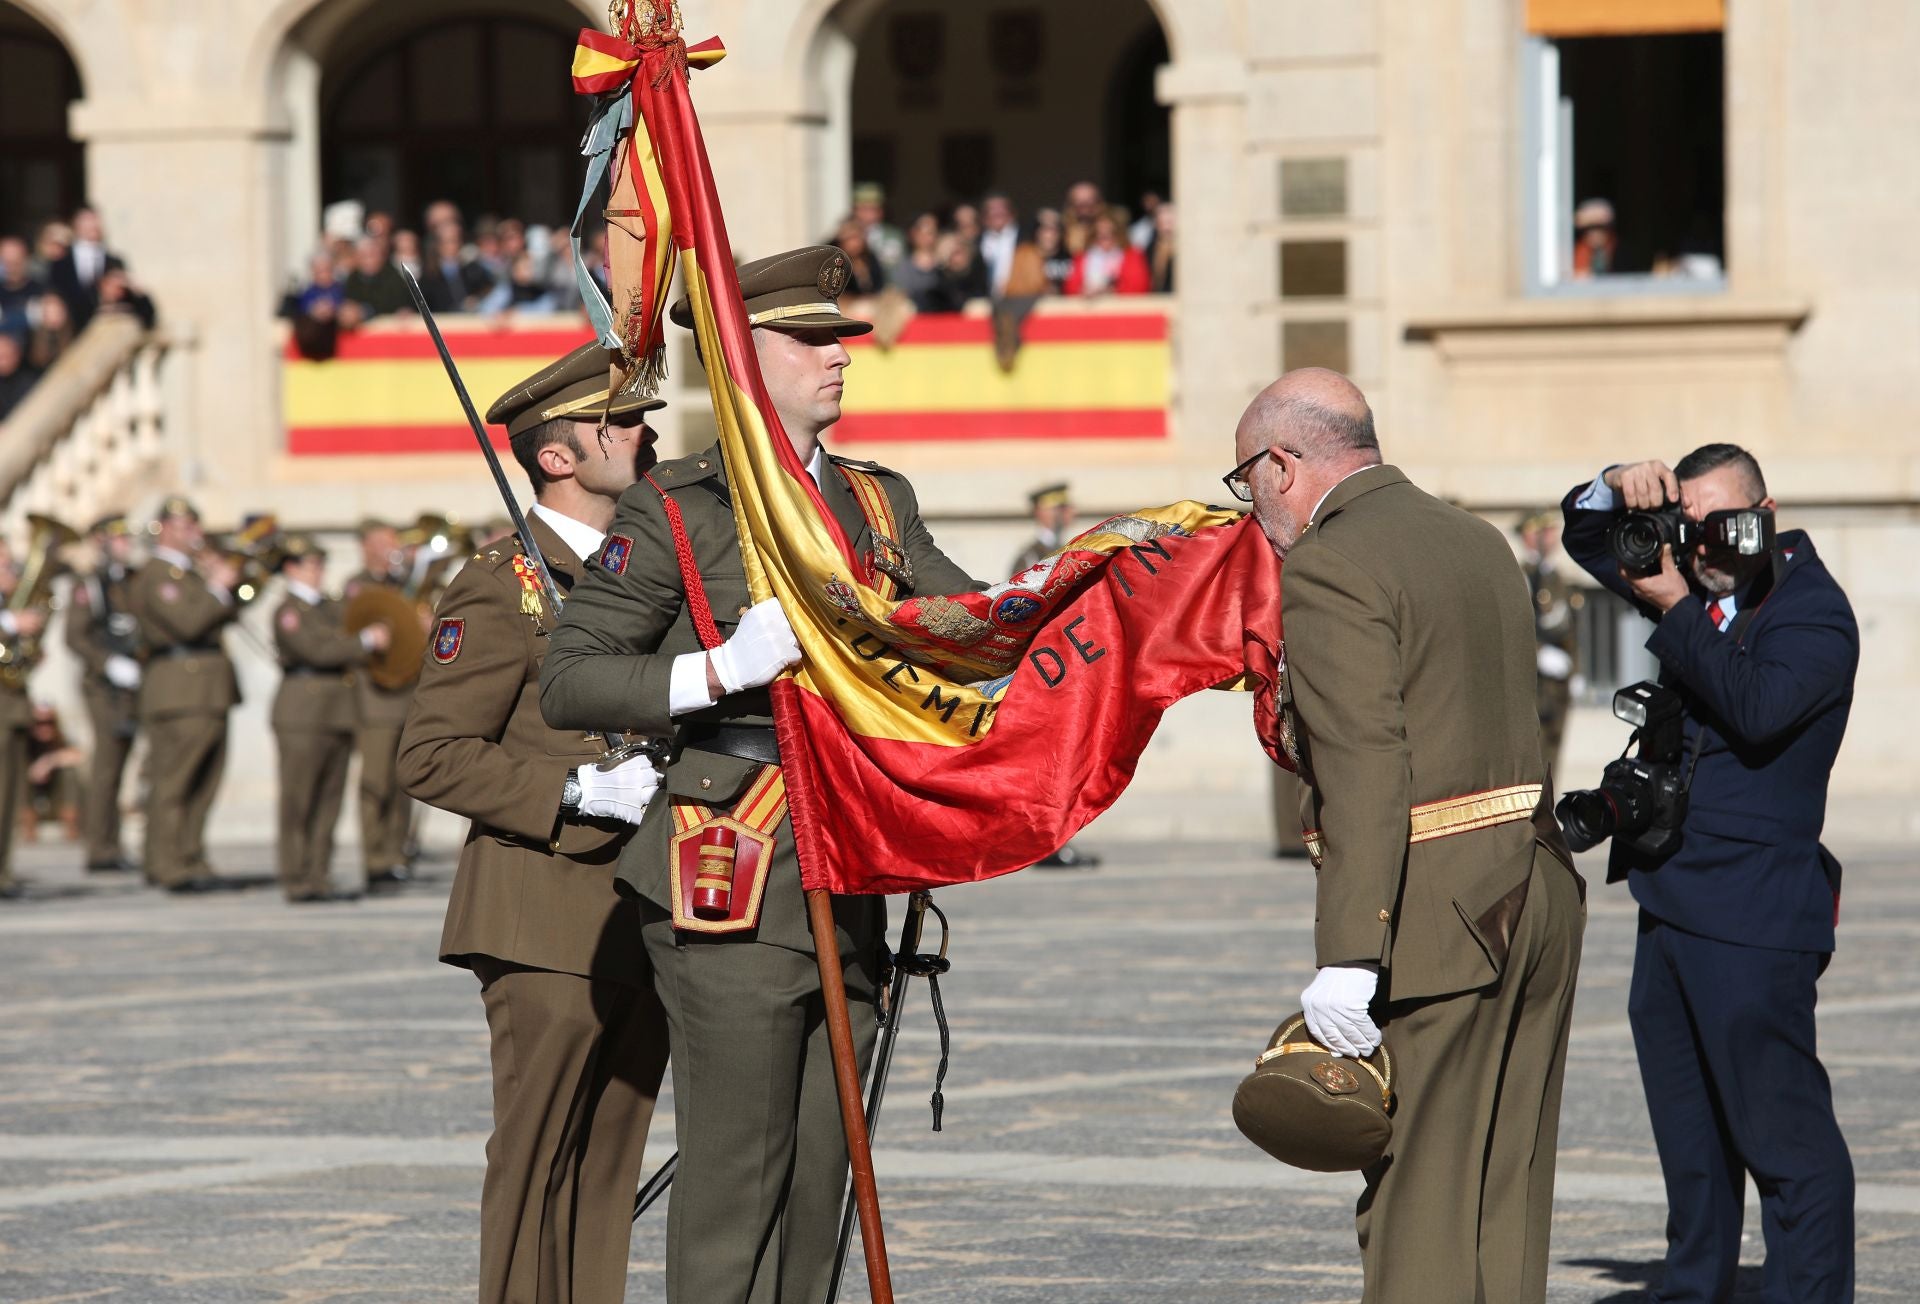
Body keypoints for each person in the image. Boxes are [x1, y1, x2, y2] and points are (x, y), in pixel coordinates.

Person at [540, 246, 979, 1303]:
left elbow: (971, 623)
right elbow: (574, 676)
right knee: (741, 1165)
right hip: (732, 853)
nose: (838, 360)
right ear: (740, 360)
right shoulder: (680, 504)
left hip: (855, 848)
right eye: (810, 341)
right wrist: (714, 670)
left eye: (840, 340)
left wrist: (1102, 584)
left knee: (827, 1168)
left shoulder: (877, 503)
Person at [1229, 368, 1584, 1304]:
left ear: (1282, 463)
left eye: (1246, 481)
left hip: (1437, 912)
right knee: (1503, 1193)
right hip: (1535, 888)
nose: (1252, 506)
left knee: (1418, 1205)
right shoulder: (1476, 538)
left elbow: (1365, 767)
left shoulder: (1332, 562)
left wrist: (1350, 951)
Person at [399, 342, 671, 1304]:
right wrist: (568, 794)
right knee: (537, 1152)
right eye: (623, 422)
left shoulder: (652, 574)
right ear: (557, 456)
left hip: (646, 900)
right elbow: (429, 752)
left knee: (609, 1159)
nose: (647, 432)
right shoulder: (502, 581)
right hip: (543, 908)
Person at [1560, 446, 1857, 1304]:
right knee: (1691, 1143)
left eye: (1730, 524)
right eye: (1693, 527)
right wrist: (1616, 486)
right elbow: (1586, 539)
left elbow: (1757, 710)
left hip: (1756, 919)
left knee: (1784, 1140)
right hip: (1673, 898)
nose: (1710, 545)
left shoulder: (1812, 612)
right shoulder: (1693, 572)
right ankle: (1692, 1289)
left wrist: (1681, 600)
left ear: (1769, 509)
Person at [127, 497, 241, 894]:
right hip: (179, 688)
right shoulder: (157, 574)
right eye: (185, 525)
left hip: (207, 688)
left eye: (195, 524)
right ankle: (165, 863)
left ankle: (191, 855)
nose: (195, 533)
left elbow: (227, 612)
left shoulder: (187, 573)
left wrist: (226, 584)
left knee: (204, 781)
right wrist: (215, 587)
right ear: (165, 528)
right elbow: (188, 623)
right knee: (173, 781)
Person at [272, 534, 382, 904]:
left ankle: (319, 874)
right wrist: (363, 643)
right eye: (309, 565)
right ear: (291, 569)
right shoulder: (288, 611)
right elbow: (316, 650)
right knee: (299, 799)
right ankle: (296, 875)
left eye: (320, 564)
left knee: (329, 800)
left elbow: (351, 623)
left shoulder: (327, 607)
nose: (317, 572)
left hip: (337, 712)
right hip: (303, 713)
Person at [65, 513, 144, 872]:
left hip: (134, 682)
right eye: (118, 538)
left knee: (124, 762)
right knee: (107, 766)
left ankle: (113, 842)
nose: (126, 544)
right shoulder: (91, 584)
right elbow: (75, 635)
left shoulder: (131, 580)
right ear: (102, 542)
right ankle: (100, 846)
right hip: (103, 687)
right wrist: (108, 663)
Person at [345, 520, 417, 887]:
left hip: (407, 697)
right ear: (367, 547)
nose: (393, 549)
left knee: (403, 782)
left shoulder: (404, 585)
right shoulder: (358, 587)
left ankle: (396, 854)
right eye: (385, 543)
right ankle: (375, 859)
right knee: (375, 782)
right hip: (375, 699)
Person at [1516, 511, 1579, 780]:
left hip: (1558, 683)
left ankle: (1546, 814)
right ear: (1529, 535)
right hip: (1534, 681)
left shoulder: (1555, 577)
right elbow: (1518, 625)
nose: (1551, 537)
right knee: (1533, 752)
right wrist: (1538, 654)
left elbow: (1570, 631)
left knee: (1553, 751)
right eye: (1544, 532)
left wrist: (1577, 671)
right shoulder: (1522, 575)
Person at [0, 557, 49, 899]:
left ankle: (2, 869)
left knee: (8, 794)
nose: (10, 567)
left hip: (13, 705)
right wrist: (9, 622)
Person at [47, 205, 123, 331]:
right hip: (70, 332)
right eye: (86, 220)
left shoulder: (114, 262)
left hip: (105, 330)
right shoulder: (59, 264)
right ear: (75, 224)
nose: (92, 225)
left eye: (95, 219)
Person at [22, 703, 84, 844]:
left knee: (69, 773)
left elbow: (79, 755)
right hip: (32, 795)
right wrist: (31, 771)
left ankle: (71, 821)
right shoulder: (24, 741)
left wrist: (48, 762)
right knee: (20, 778)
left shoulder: (61, 739)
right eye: (39, 723)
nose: (44, 727)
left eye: (49, 723)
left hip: (56, 796)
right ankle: (28, 824)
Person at [1065, 211, 1151, 296]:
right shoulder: (1081, 257)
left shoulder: (1132, 255)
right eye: (1099, 234)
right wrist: (1083, 291)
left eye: (1110, 233)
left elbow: (1140, 287)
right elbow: (1070, 288)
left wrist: (1111, 290)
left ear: (1118, 233)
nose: (1105, 237)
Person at [0, 330, 39, 422]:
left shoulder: (30, 380)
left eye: (6, 355)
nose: (3, 361)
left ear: (17, 354)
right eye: (1, 357)